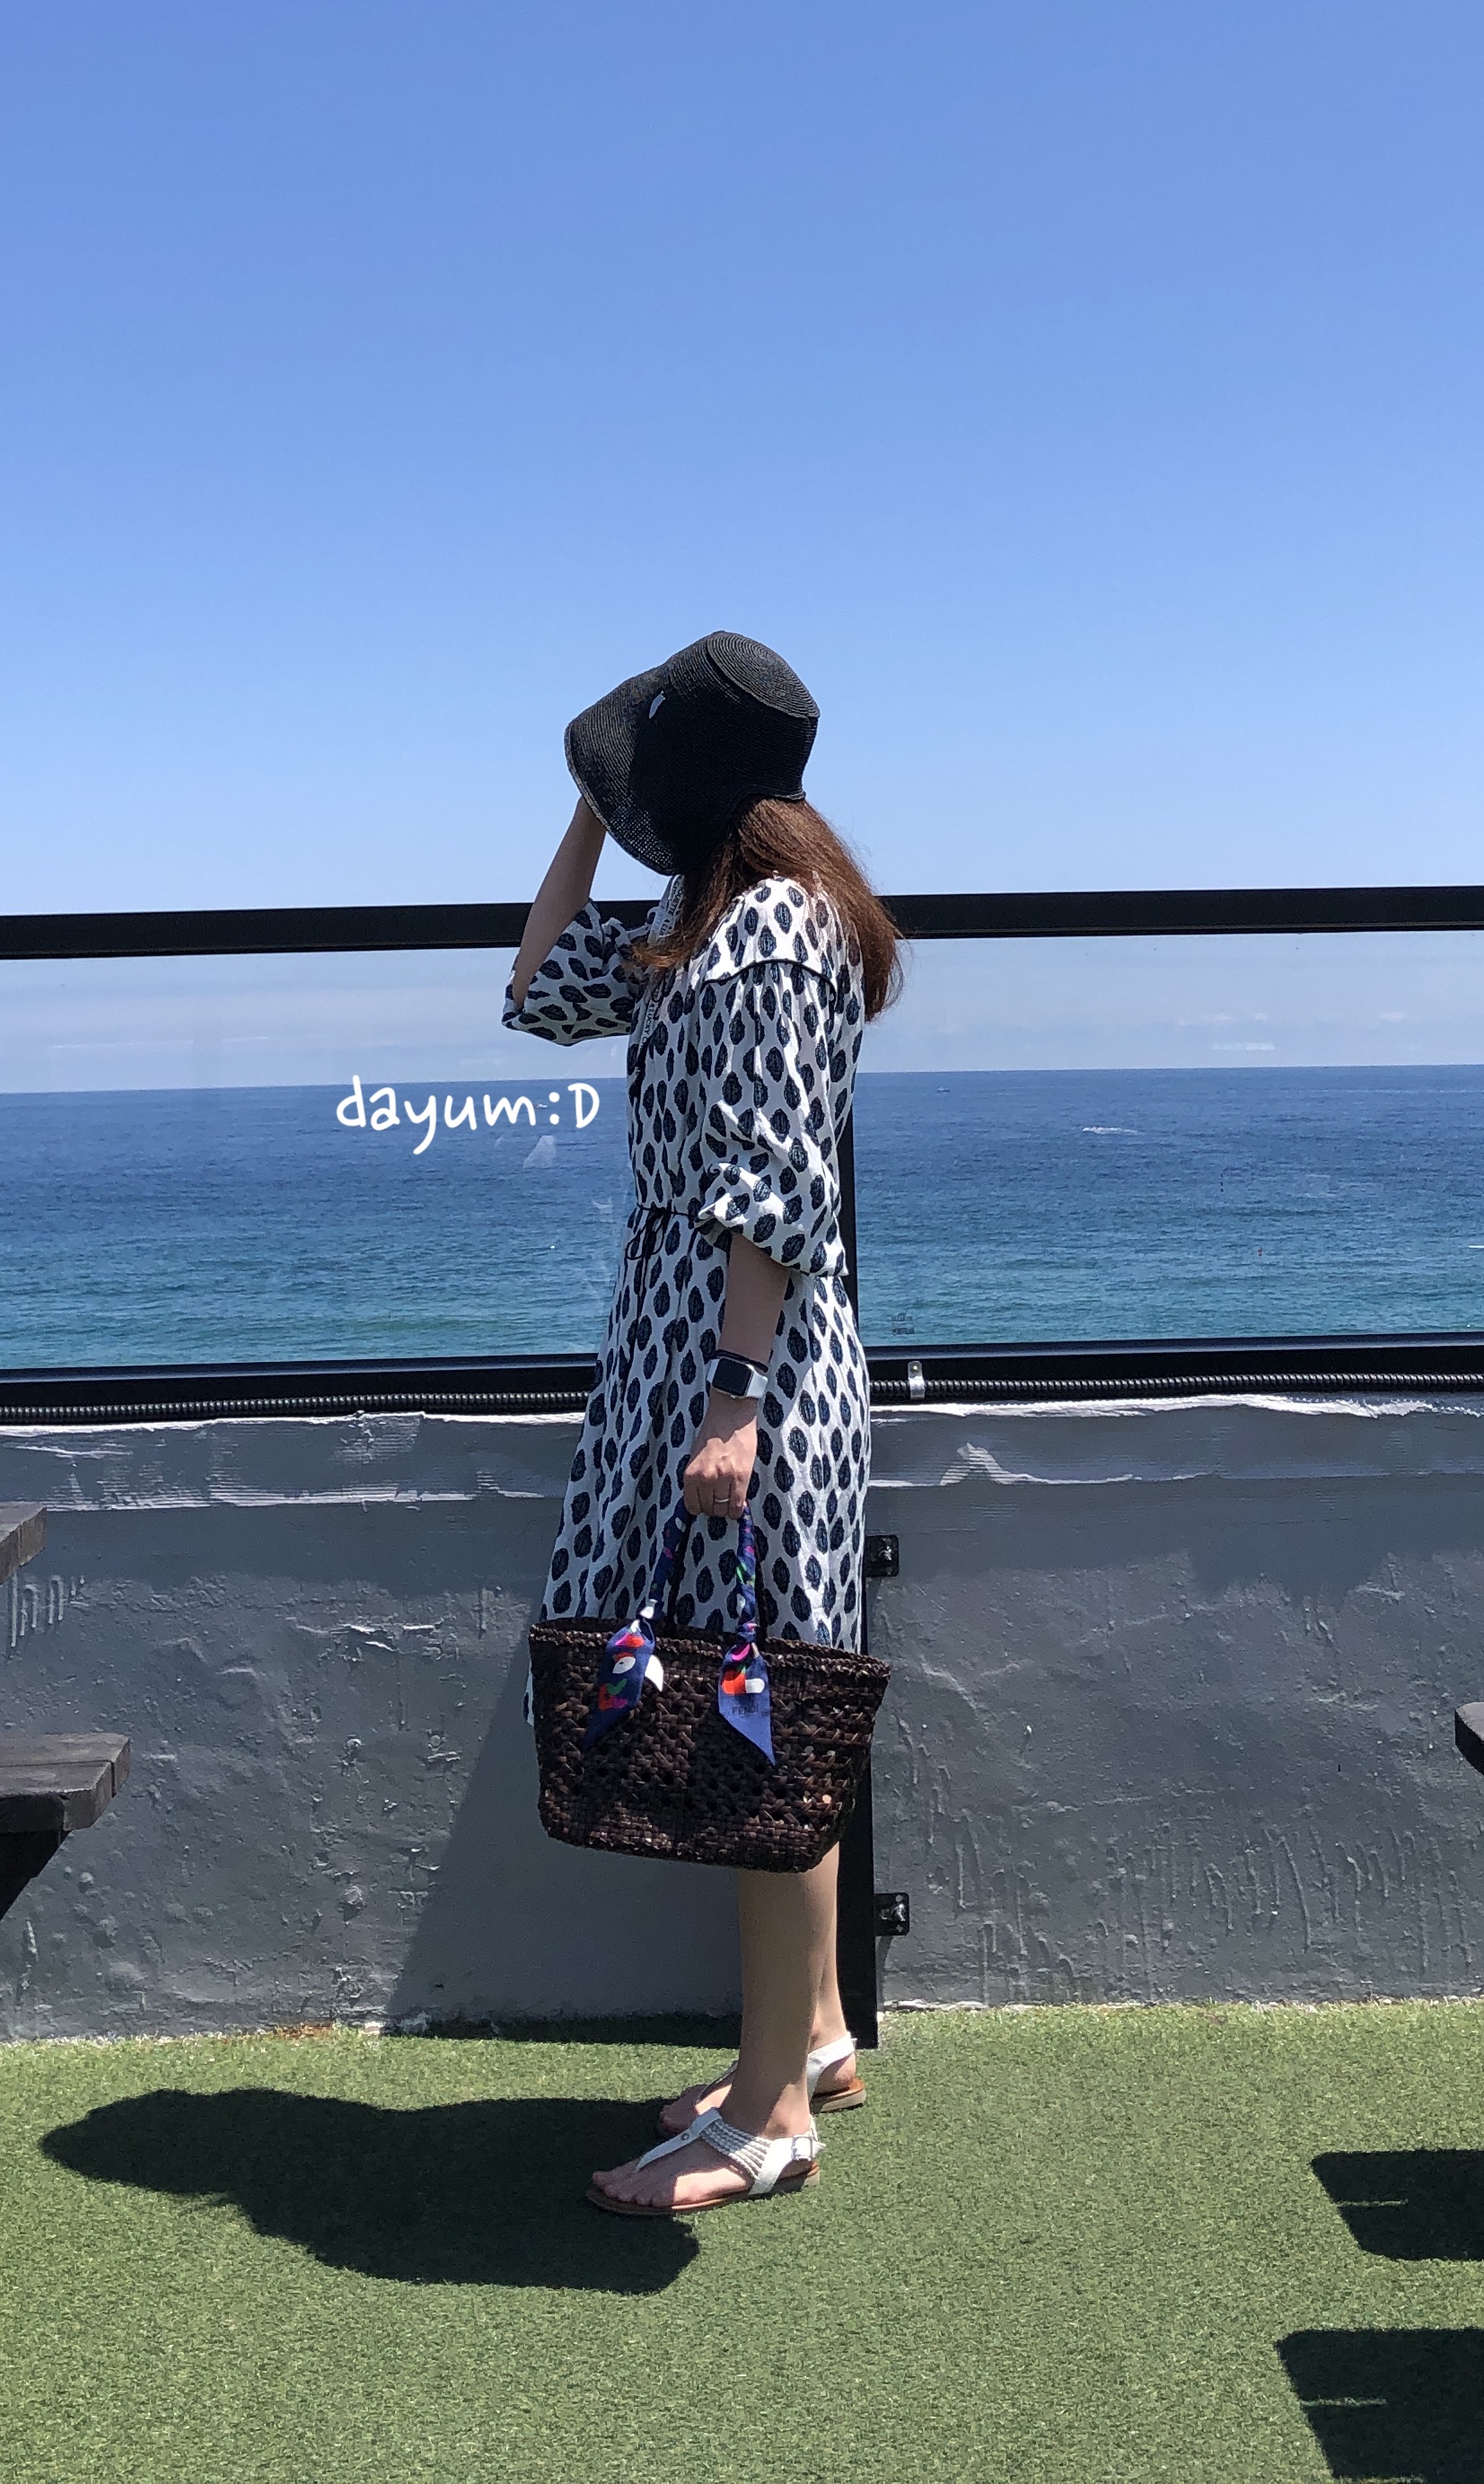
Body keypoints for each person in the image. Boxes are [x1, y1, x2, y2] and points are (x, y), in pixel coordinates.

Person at [505, 629, 901, 2217]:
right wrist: (595, 806)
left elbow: (777, 1187)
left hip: (749, 1359)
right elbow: (536, 989)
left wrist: (733, 1403)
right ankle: (816, 2032)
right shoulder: (701, 922)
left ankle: (768, 2116)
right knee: (771, 1687)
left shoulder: (775, 936)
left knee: (761, 1705)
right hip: (689, 1339)